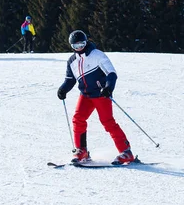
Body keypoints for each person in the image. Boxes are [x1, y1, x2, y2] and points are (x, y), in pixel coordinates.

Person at [56, 30, 134, 165]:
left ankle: (126, 152)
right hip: (85, 95)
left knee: (107, 122)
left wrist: (108, 87)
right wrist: (63, 89)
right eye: (75, 46)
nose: (79, 48)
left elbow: (111, 73)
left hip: (101, 94)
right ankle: (82, 151)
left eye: (82, 44)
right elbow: (70, 80)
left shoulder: (97, 55)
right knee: (78, 119)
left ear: (86, 42)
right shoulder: (72, 61)